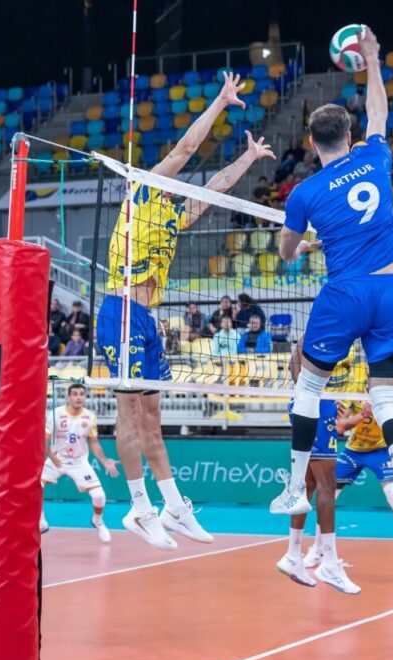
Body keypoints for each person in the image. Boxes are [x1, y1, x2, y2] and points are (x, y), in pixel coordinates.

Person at [95, 71, 272, 549]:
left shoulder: (175, 215)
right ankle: (138, 507)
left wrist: (248, 157)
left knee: (152, 414)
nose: (177, 181)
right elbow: (185, 153)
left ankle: (173, 504)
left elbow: (215, 187)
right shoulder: (142, 193)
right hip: (120, 310)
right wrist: (219, 102)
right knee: (129, 412)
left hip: (148, 320)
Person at [272, 28, 393, 556]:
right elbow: (380, 111)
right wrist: (376, 60)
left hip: (345, 292)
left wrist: (298, 243)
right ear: (350, 134)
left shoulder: (305, 191)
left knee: (309, 388)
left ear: (311, 143)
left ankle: (294, 487)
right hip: (391, 288)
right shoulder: (375, 157)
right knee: (386, 394)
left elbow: (285, 252)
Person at [303, 386, 393, 580]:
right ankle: (317, 550)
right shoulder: (354, 390)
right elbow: (340, 426)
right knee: (328, 495)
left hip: (381, 450)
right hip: (354, 451)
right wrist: (362, 414)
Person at [276, 336, 353, 591]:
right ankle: (329, 561)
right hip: (315, 406)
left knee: (308, 485)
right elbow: (295, 371)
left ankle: (292, 555)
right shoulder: (317, 334)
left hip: (318, 403)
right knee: (326, 485)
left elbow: (299, 371)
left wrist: (334, 400)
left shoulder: (338, 336)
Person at [40, 383, 120, 541]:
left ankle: (97, 521)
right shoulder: (56, 414)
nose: (78, 397)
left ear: (85, 397)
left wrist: (105, 461)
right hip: (57, 459)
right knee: (37, 486)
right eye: (75, 394)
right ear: (69, 397)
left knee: (99, 495)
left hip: (79, 462)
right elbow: (43, 440)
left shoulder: (90, 417)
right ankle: (41, 520)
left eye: (82, 394)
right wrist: (51, 455)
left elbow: (94, 443)